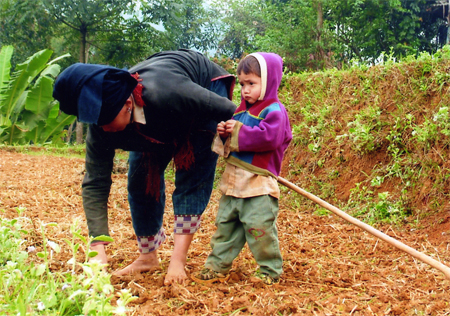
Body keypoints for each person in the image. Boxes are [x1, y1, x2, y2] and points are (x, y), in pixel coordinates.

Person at [53, 49, 237, 285]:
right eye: (96, 122)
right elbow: (95, 183)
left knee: (192, 172)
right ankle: (148, 256)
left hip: (202, 89)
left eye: (106, 121)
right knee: (140, 180)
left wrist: (256, 135)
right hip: (155, 115)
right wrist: (97, 247)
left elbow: (230, 110)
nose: (102, 128)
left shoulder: (169, 92)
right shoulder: (101, 127)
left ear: (127, 103)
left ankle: (178, 260)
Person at [193, 52, 292, 285]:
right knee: (225, 226)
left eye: (252, 84)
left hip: (258, 183)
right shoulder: (239, 112)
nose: (245, 90)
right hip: (233, 180)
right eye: (242, 84)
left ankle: (269, 270)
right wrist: (224, 131)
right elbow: (231, 142)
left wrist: (236, 130)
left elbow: (270, 138)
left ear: (268, 82)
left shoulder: (274, 111)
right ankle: (216, 266)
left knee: (260, 229)